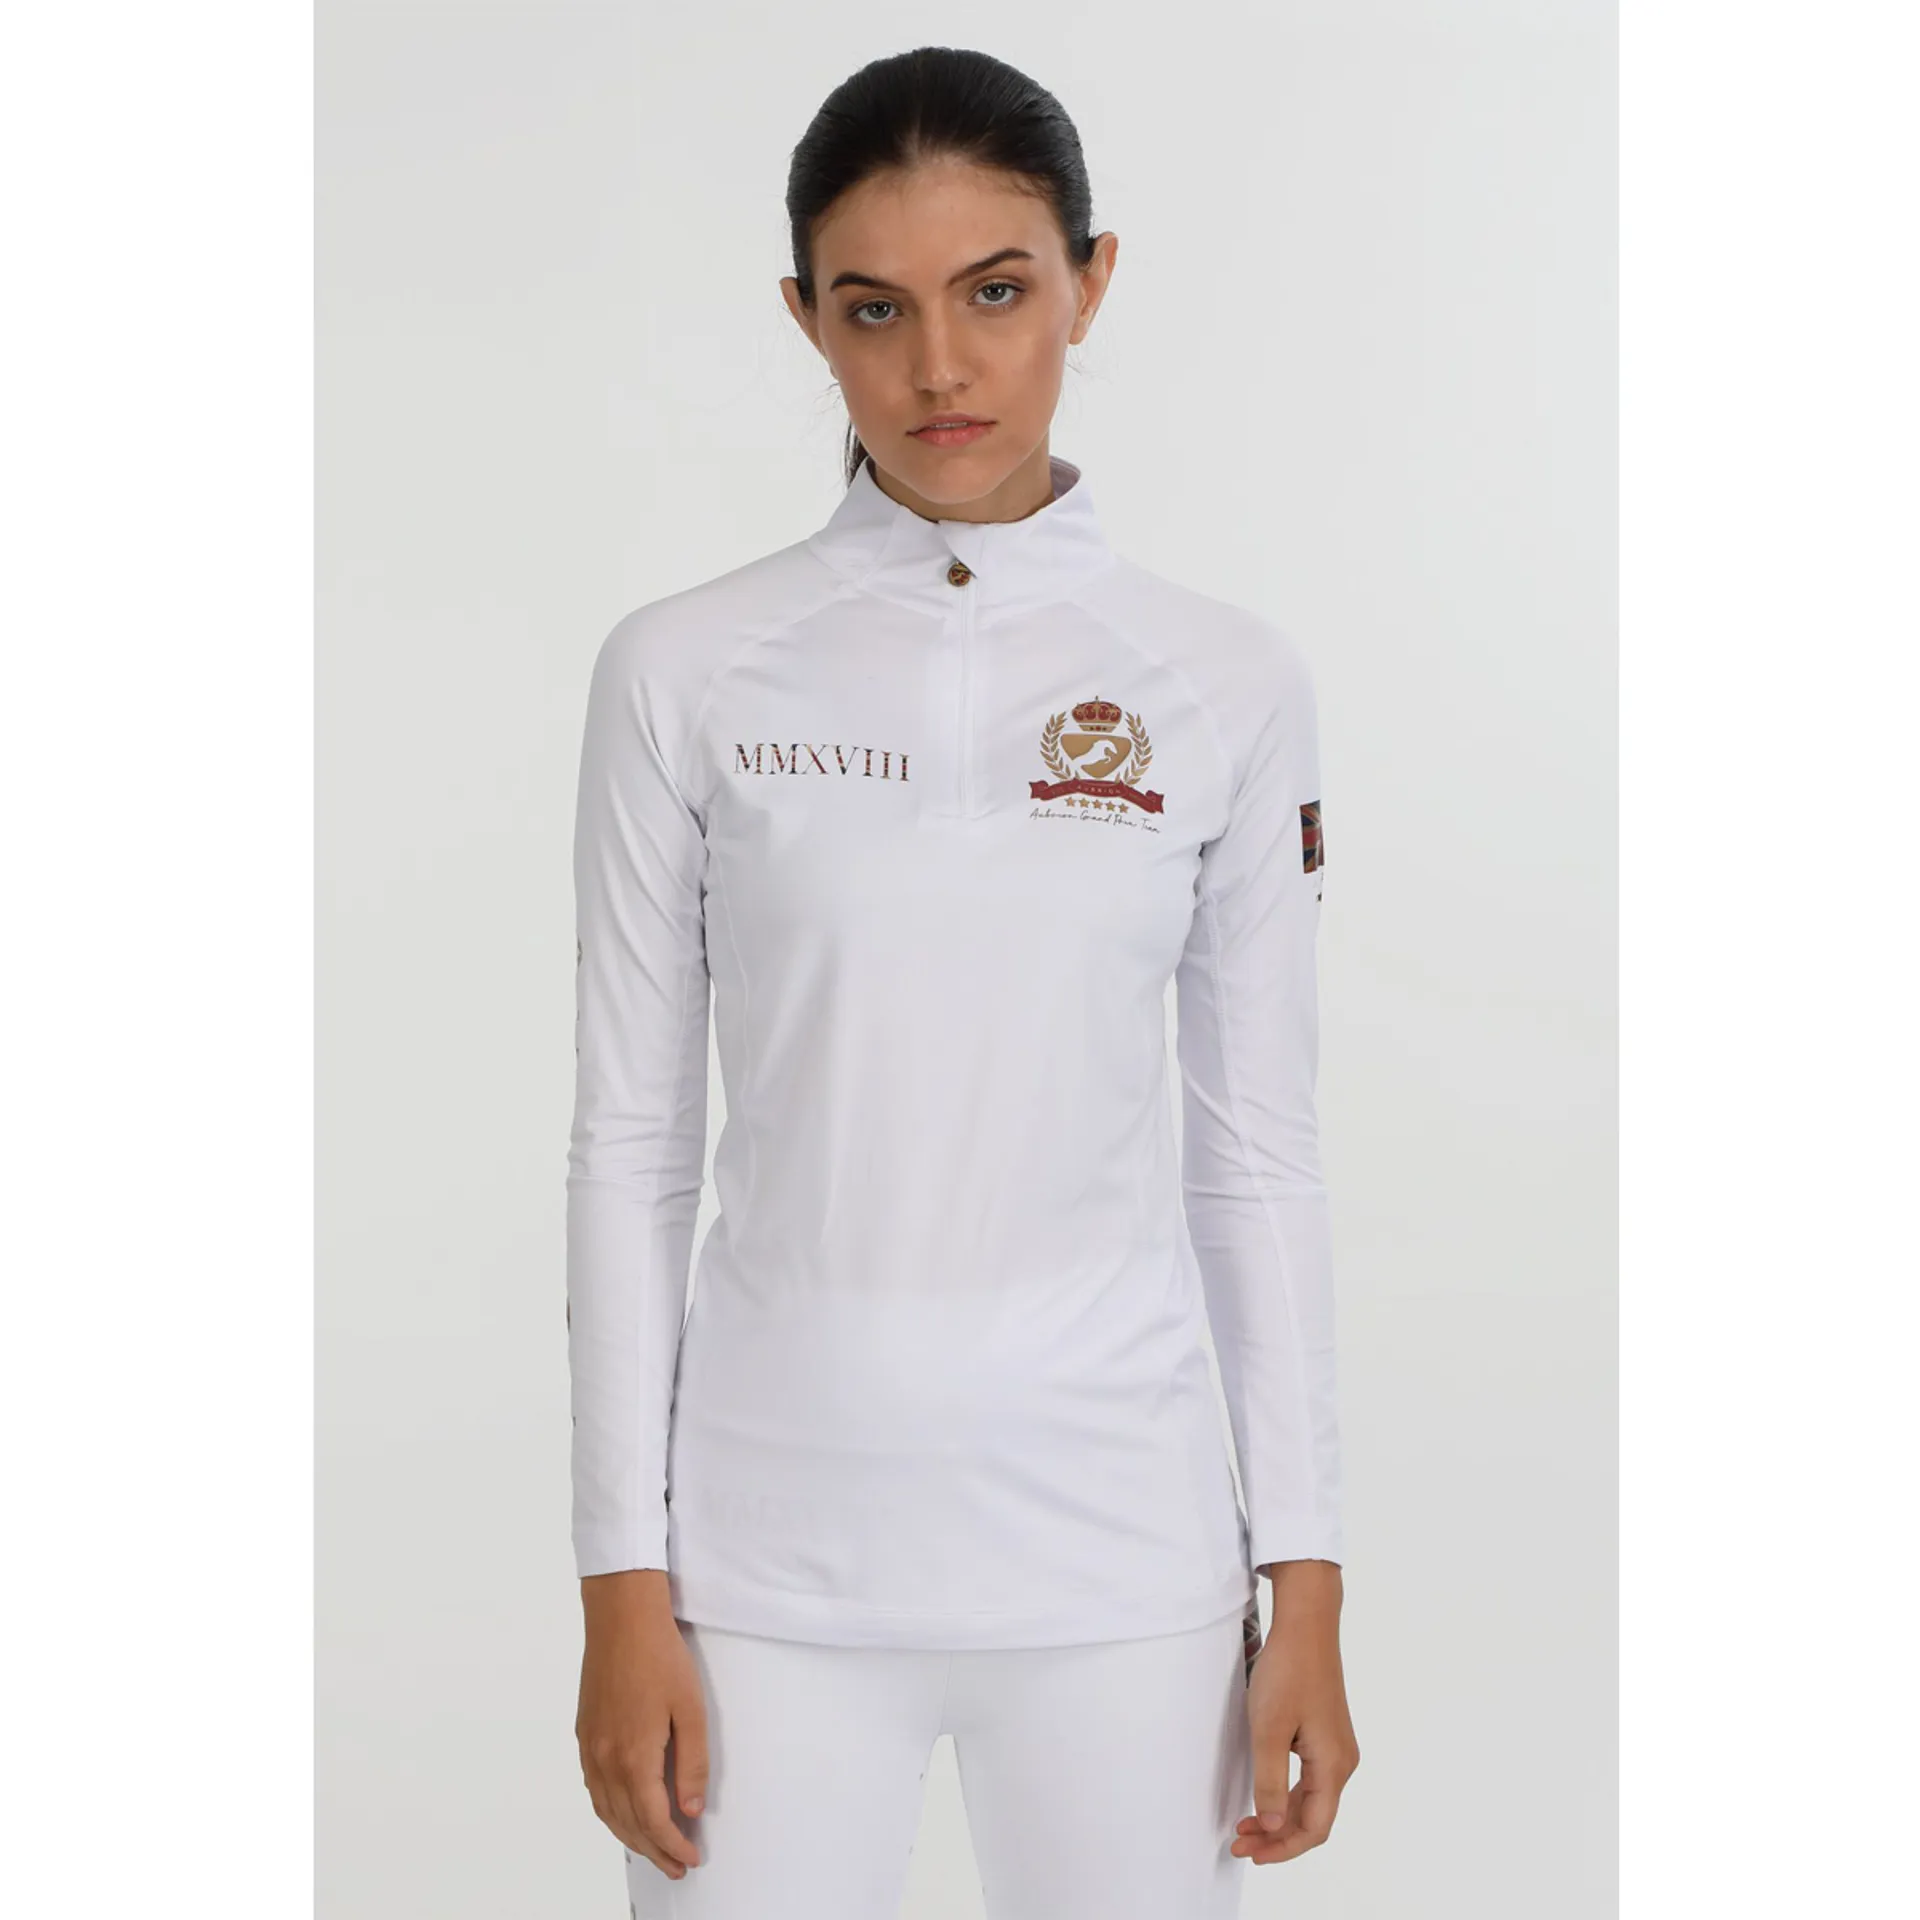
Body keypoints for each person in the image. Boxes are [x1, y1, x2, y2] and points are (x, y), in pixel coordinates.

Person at [565, 44, 1360, 1920]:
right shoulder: (685, 670)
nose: (941, 366)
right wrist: (619, 1586)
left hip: (1125, 1566)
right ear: (805, 319)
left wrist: (1308, 1581)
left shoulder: (1225, 684)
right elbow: (630, 1149)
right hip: (760, 1570)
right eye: (875, 309)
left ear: (1090, 280)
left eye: (997, 292)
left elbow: (1256, 1156)